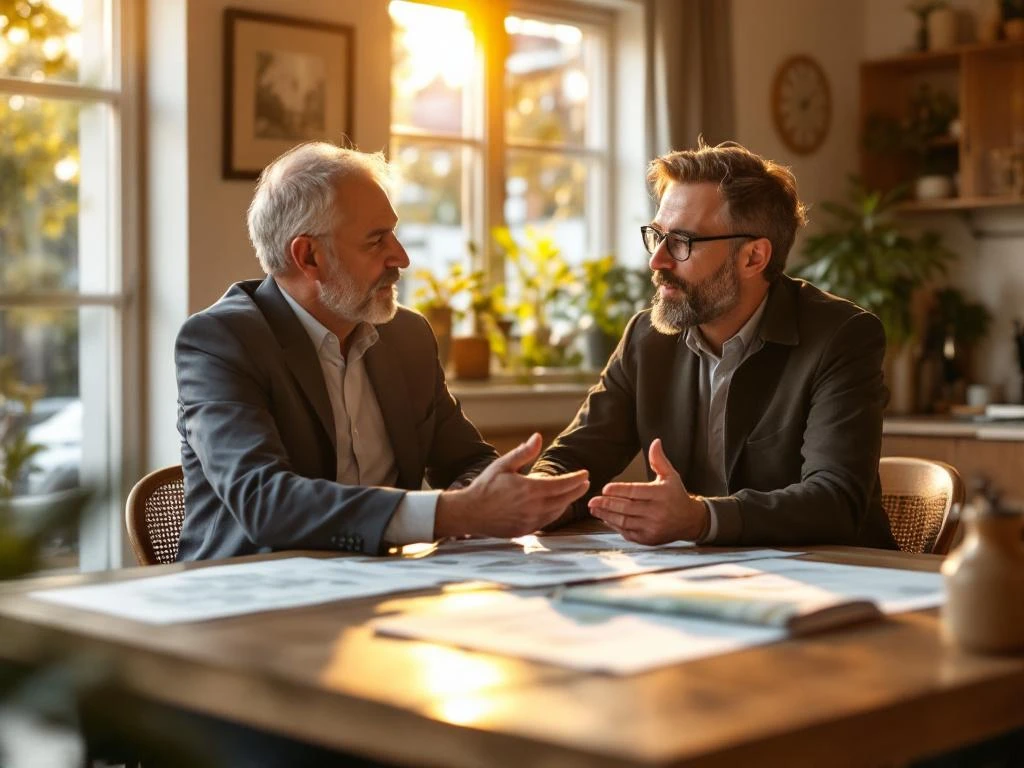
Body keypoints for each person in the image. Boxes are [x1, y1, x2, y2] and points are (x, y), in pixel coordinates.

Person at [175, 142, 589, 561]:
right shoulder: (220, 341)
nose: (402, 257)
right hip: (248, 596)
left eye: (394, 233)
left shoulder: (405, 335)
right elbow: (265, 502)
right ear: (309, 256)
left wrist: (508, 494)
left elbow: (466, 460)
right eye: (376, 241)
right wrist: (454, 513)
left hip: (380, 587)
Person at [533, 140, 896, 549]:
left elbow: (834, 502)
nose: (658, 261)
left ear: (753, 258)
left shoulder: (841, 336)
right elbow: (574, 459)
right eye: (657, 236)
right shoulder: (647, 338)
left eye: (683, 241)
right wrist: (536, 495)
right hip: (700, 581)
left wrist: (700, 519)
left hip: (839, 578)